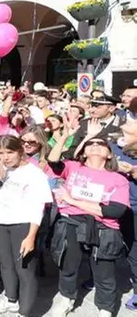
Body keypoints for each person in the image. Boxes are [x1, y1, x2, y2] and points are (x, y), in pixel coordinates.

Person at [47, 134, 129, 317]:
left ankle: (105, 308)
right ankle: (67, 298)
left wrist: (72, 201)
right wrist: (64, 135)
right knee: (68, 266)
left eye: (101, 144)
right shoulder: (73, 167)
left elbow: (114, 211)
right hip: (72, 223)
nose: (95, 145)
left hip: (104, 229)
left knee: (104, 273)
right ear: (83, 152)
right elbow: (52, 160)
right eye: (90, 144)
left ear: (109, 154)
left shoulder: (118, 178)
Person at [0, 135, 52, 317]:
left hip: (21, 224)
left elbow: (38, 207)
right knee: (6, 265)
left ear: (20, 151)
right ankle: (10, 299)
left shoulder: (35, 174)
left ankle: (24, 312)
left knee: (24, 269)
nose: (5, 157)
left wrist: (31, 236)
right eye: (0, 153)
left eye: (10, 152)